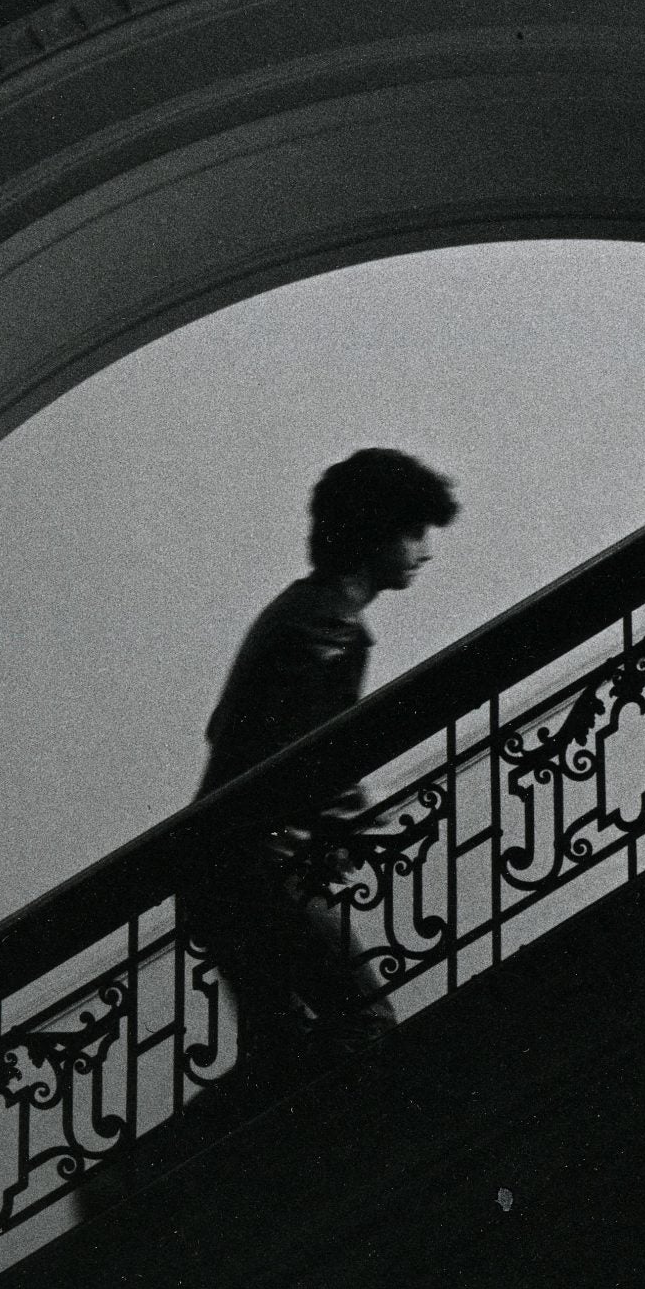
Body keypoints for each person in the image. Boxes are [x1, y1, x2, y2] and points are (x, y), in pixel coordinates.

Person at [185, 447, 459, 1093]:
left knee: (278, 1053)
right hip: (257, 867)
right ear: (375, 533)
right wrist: (359, 819)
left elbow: (239, 733)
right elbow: (301, 754)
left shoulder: (297, 611)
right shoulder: (329, 627)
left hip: (217, 866)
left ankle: (146, 1183)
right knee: (363, 1025)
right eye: (416, 531)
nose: (426, 550)